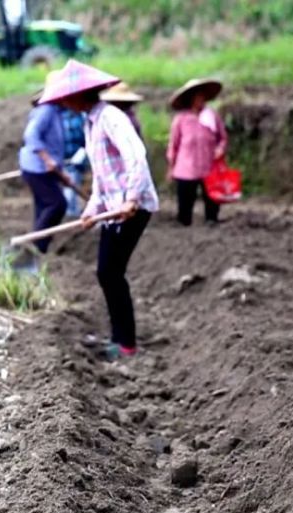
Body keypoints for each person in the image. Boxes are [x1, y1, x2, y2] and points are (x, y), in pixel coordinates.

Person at [38, 60, 159, 361]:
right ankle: (119, 339)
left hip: (133, 207)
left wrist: (132, 198)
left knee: (110, 272)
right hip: (114, 208)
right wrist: (92, 209)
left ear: (81, 94)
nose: (63, 102)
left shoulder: (111, 118)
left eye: (67, 97)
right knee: (107, 273)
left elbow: (137, 157)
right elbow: (103, 177)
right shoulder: (90, 123)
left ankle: (126, 344)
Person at [19, 83, 73, 254]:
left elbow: (53, 144)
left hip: (43, 167)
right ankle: (34, 247)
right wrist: (47, 159)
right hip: (37, 167)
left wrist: (60, 171)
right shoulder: (47, 109)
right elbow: (31, 134)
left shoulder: (55, 111)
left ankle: (37, 251)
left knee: (44, 207)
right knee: (57, 204)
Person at [167, 78, 228, 226]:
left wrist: (220, 149)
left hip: (209, 164)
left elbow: (223, 138)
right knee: (186, 197)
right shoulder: (181, 119)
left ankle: (211, 219)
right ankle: (184, 221)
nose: (201, 100)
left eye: (202, 97)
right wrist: (171, 166)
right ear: (191, 99)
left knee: (212, 196)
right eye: (198, 97)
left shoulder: (212, 116)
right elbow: (173, 145)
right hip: (186, 166)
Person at [60, 104, 88, 217]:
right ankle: (70, 212)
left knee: (71, 187)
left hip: (77, 158)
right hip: (61, 158)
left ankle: (71, 212)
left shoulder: (81, 116)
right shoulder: (58, 116)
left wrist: (83, 152)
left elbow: (86, 137)